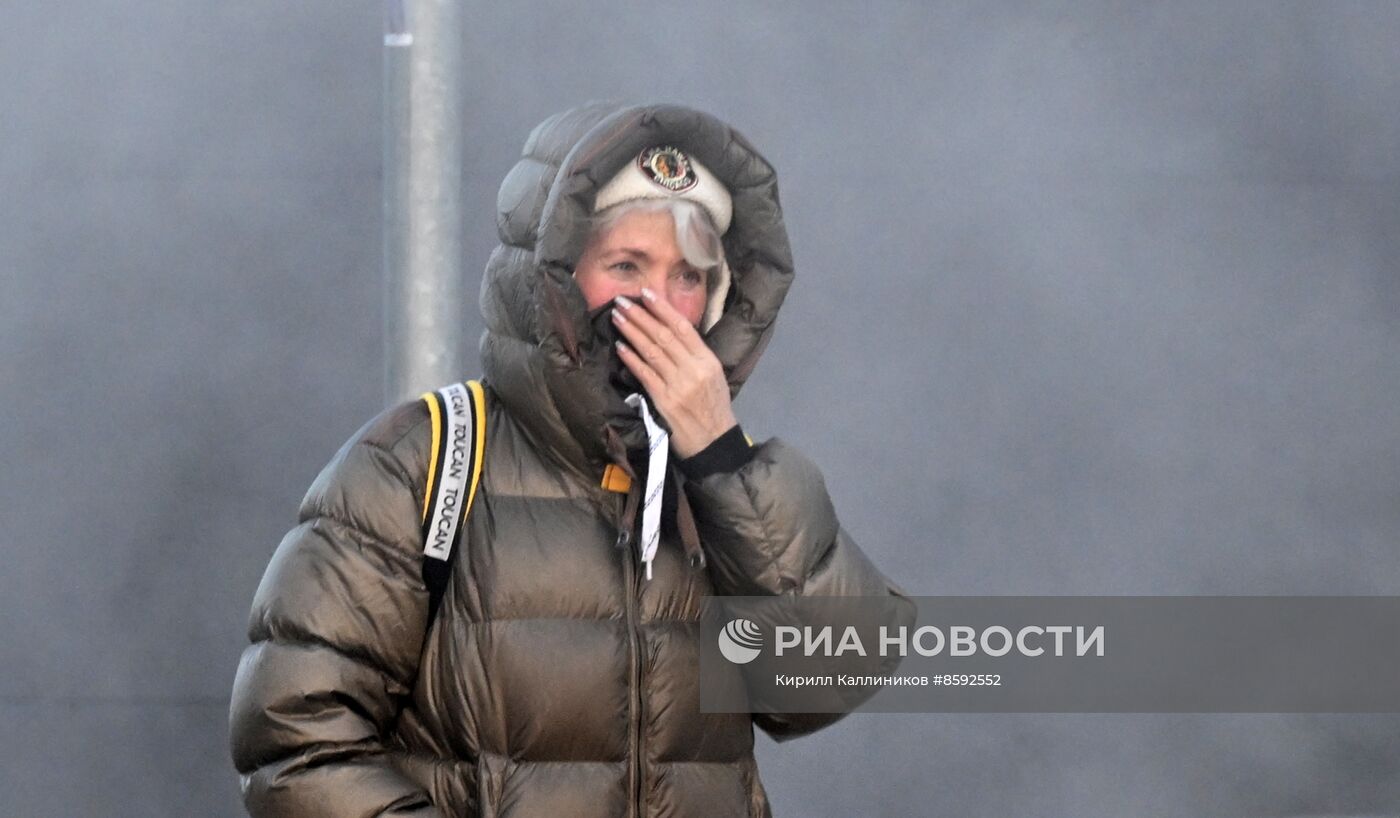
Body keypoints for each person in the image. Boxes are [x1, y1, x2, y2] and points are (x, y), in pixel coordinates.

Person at [229, 102, 913, 817]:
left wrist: (720, 460)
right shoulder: (421, 462)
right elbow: (294, 739)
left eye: (689, 276)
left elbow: (826, 681)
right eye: (625, 266)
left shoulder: (721, 487)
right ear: (551, 281)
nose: (659, 304)